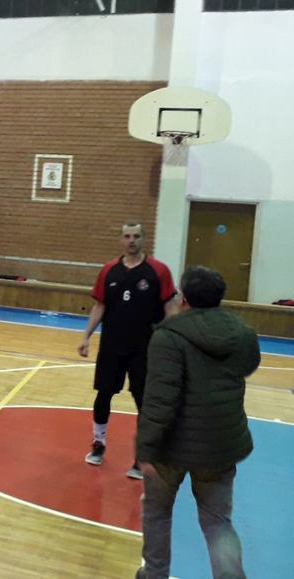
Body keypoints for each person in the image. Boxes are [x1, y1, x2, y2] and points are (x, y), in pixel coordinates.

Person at [135, 266, 260, 579]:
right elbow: (249, 366)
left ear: (183, 298)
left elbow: (161, 400)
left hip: (171, 449)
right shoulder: (242, 334)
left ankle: (155, 574)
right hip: (220, 445)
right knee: (218, 522)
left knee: (157, 512)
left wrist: (145, 447)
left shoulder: (168, 336)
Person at [79, 222, 179, 479]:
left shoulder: (158, 271)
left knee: (143, 400)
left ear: (143, 239)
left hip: (145, 348)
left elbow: (171, 308)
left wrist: (172, 338)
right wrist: (86, 336)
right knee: (104, 394)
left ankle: (142, 455)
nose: (131, 240)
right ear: (121, 240)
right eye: (127, 236)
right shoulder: (109, 270)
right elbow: (100, 306)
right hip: (112, 346)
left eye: (136, 236)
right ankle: (98, 443)